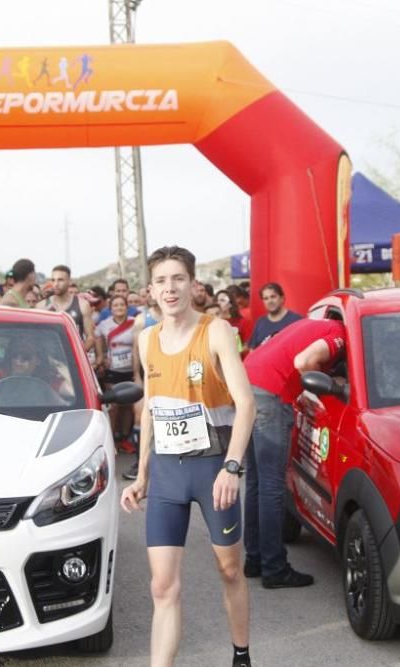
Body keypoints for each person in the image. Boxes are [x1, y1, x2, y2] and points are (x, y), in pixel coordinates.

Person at [121, 245, 256, 667]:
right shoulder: (146, 340)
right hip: (166, 474)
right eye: (161, 280)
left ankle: (241, 654)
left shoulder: (215, 332)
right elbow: (153, 411)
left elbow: (247, 404)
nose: (170, 288)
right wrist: (141, 476)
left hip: (214, 470)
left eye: (177, 278)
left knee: (230, 570)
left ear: (192, 283)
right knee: (163, 587)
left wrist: (232, 467)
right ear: (150, 289)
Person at [242, 317, 346, 588]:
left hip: (247, 383)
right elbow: (303, 362)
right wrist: (330, 383)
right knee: (271, 485)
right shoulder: (339, 334)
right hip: (270, 394)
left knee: (255, 481)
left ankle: (255, 559)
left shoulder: (310, 323)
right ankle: (274, 568)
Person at [122, 287, 163, 481]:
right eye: (147, 293)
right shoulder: (141, 319)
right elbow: (135, 349)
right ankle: (140, 462)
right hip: (145, 374)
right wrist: (136, 376)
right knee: (140, 417)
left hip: (167, 373)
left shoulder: (171, 316)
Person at [38, 265, 101, 367]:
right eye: (53, 280)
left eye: (60, 280)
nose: (56, 284)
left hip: (74, 362)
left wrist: (76, 355)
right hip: (49, 363)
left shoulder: (82, 305)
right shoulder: (41, 306)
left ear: (69, 282)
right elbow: (37, 337)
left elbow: (90, 337)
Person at [97, 294, 136, 448]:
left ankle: (124, 438)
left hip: (130, 369)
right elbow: (97, 338)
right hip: (113, 369)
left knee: (128, 406)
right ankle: (111, 441)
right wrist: (102, 356)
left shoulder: (135, 323)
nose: (119, 308)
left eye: (122, 305)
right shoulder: (104, 325)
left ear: (127, 307)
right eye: (116, 305)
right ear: (110, 308)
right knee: (113, 408)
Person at [0, 338, 73, 399]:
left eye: (26, 356)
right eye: (14, 355)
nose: (18, 361)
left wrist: (54, 363)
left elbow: (73, 390)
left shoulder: (47, 381)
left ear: (38, 360)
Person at [248, 282, 302, 350]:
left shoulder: (297, 321)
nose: (270, 301)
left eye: (273, 297)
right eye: (266, 298)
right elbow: (252, 350)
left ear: (282, 298)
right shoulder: (260, 322)